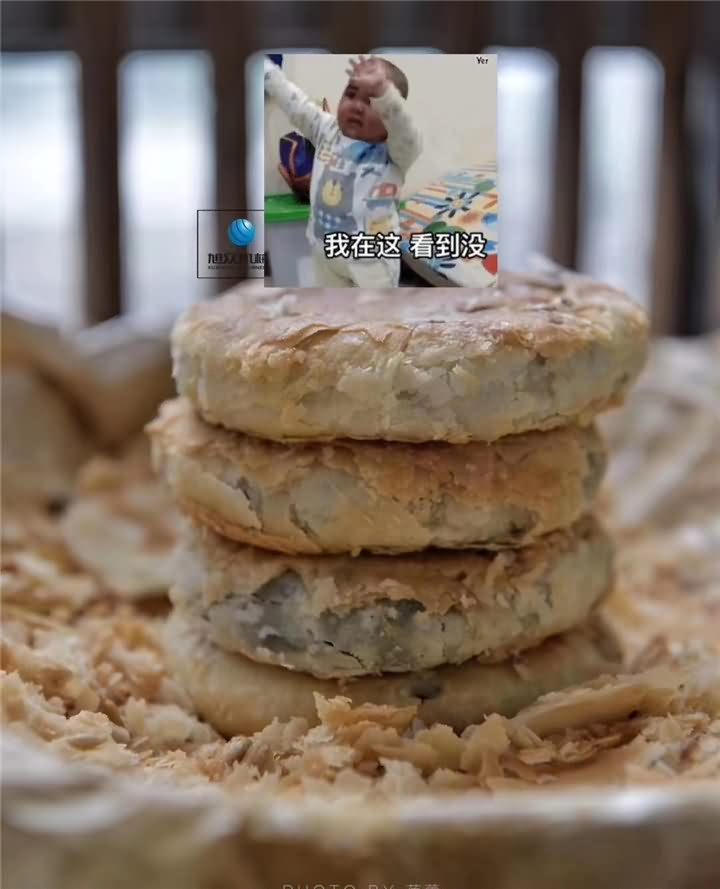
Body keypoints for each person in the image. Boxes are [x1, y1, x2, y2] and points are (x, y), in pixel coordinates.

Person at [264, 54, 422, 287]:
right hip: (325, 250)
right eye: (351, 94)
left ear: (390, 117)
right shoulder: (327, 129)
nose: (357, 106)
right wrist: (268, 72)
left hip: (371, 262)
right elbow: (296, 104)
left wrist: (386, 95)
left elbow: (408, 133)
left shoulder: (394, 151)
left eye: (371, 102)